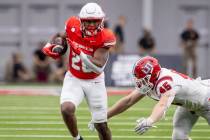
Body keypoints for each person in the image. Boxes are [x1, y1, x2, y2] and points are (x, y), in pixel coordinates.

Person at [42, 2, 116, 140]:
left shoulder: (106, 36)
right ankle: (77, 138)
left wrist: (78, 49)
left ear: (101, 21)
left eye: (95, 22)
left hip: (95, 81)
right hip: (74, 77)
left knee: (101, 125)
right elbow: (60, 35)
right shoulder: (72, 25)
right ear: (81, 21)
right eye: (88, 21)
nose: (91, 25)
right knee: (66, 108)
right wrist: (56, 44)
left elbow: (98, 65)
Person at [89, 56, 210, 140]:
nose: (138, 81)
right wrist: (103, 117)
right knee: (178, 136)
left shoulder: (165, 82)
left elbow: (162, 105)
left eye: (142, 77)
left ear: (152, 75)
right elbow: (128, 100)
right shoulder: (151, 82)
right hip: (189, 106)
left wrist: (150, 120)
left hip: (207, 101)